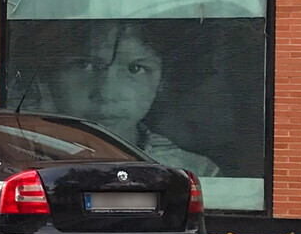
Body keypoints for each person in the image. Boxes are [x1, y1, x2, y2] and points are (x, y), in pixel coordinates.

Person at [31, 21, 221, 175]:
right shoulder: (24, 160)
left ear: (162, 79)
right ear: (46, 77)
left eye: (134, 69)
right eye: (84, 65)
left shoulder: (193, 171)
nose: (107, 94)